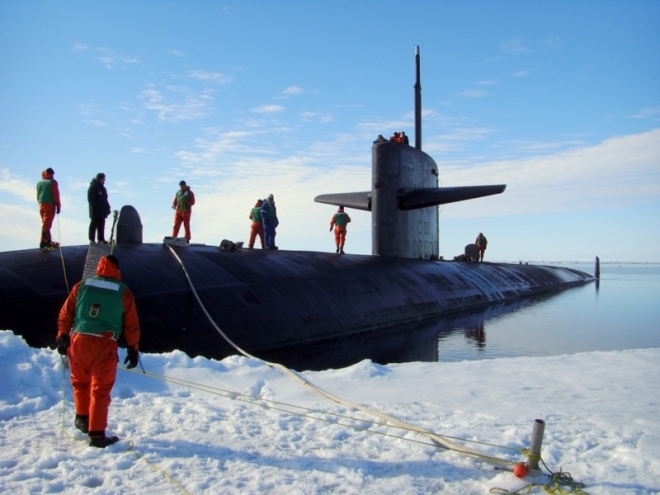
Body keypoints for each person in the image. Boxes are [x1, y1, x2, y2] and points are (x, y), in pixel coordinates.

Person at [55, 255, 141, 448]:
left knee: (80, 383)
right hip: (103, 344)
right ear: (116, 270)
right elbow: (132, 325)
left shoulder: (82, 285)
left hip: (79, 340)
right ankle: (96, 435)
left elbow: (66, 312)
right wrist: (133, 349)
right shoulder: (122, 291)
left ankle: (83, 419)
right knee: (100, 390)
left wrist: (62, 336)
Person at [35, 167, 61, 250]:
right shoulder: (52, 182)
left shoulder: (39, 183)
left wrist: (40, 202)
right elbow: (56, 194)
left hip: (41, 204)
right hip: (49, 204)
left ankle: (48, 240)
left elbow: (38, 195)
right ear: (51, 174)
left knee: (45, 222)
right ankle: (43, 242)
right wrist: (58, 205)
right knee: (47, 223)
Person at [87, 173, 111, 244]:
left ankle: (101, 239)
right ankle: (92, 239)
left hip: (102, 210)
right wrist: (94, 207)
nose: (104, 181)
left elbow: (105, 200)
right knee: (94, 224)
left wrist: (107, 208)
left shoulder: (102, 188)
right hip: (95, 210)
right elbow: (90, 198)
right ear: (100, 179)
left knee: (101, 224)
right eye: (104, 179)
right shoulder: (93, 187)